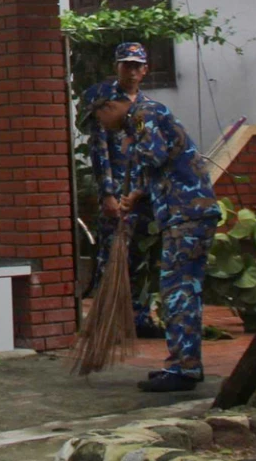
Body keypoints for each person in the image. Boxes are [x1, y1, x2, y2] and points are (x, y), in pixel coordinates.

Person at [90, 88, 221, 393]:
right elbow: (163, 162)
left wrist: (130, 146)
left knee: (178, 290)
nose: (103, 125)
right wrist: (137, 194)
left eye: (100, 117)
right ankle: (186, 363)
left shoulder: (142, 115)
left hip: (186, 213)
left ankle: (183, 369)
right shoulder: (144, 116)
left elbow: (154, 154)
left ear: (110, 106)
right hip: (187, 213)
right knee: (183, 289)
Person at [79, 42, 161, 338]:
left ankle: (139, 318)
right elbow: (99, 150)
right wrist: (108, 194)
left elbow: (150, 151)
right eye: (127, 65)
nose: (132, 71)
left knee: (141, 259)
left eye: (137, 66)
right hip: (116, 191)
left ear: (145, 70)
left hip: (141, 195)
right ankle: (108, 320)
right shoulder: (106, 101)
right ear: (117, 67)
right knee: (110, 256)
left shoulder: (147, 107)